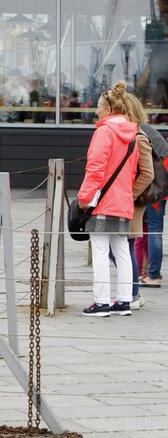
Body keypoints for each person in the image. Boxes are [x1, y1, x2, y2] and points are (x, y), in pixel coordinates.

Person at [78, 81, 140, 317]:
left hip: (102, 200)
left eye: (98, 107)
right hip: (123, 200)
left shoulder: (104, 132)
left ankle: (101, 302)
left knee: (101, 250)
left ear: (107, 108)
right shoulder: (132, 134)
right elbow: (132, 172)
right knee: (122, 249)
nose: (96, 111)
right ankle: (124, 301)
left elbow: (95, 169)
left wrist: (84, 198)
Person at [121, 93, 154, 311]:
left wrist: (130, 195)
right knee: (124, 248)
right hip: (127, 200)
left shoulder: (139, 137)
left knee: (127, 247)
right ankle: (132, 291)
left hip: (133, 201)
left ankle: (133, 292)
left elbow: (148, 174)